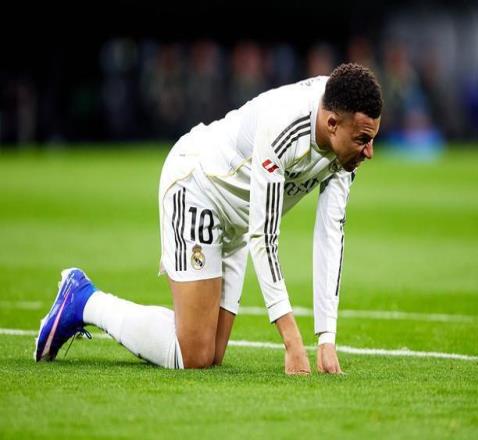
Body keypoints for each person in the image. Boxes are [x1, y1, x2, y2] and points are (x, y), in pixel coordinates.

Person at [34, 63, 382, 375]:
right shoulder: (284, 124)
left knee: (211, 355)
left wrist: (326, 337)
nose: (369, 151)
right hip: (199, 188)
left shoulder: (345, 141)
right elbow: (265, 236)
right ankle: (84, 300)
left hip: (237, 223)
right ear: (332, 123)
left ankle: (93, 302)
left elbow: (330, 233)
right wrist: (292, 340)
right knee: (193, 355)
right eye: (363, 140)